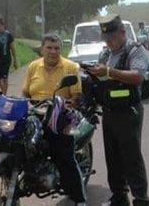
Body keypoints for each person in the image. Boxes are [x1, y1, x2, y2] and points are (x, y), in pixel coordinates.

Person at [88, 15, 149, 206]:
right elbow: (102, 81)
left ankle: (140, 199)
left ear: (122, 33)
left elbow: (138, 76)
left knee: (131, 158)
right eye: (106, 40)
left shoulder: (135, 50)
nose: (109, 43)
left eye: (112, 39)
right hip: (109, 112)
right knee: (112, 158)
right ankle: (119, 196)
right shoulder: (106, 53)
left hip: (128, 112)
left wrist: (108, 72)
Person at [22, 34, 87, 206]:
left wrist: (63, 105)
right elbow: (26, 94)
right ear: (42, 49)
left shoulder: (70, 67)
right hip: (37, 113)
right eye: (49, 48)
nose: (53, 51)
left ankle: (79, 199)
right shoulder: (33, 67)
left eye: (56, 48)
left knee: (64, 156)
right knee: (16, 143)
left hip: (63, 115)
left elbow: (77, 98)